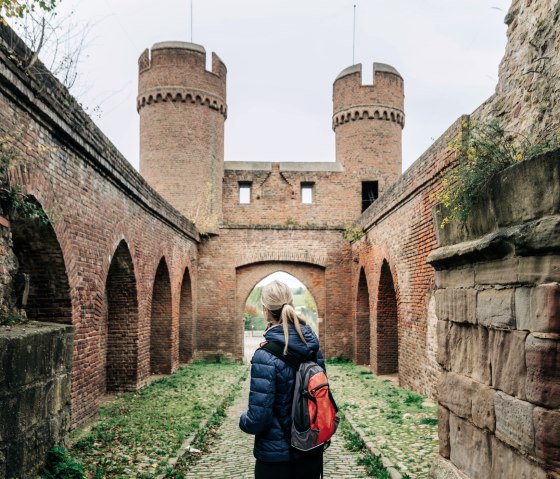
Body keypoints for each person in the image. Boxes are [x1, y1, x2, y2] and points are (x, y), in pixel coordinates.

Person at [239, 280, 325, 479]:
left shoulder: (264, 356)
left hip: (275, 459)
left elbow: (258, 419)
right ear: (291, 304)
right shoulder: (312, 347)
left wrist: (243, 421)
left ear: (265, 310)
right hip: (309, 451)